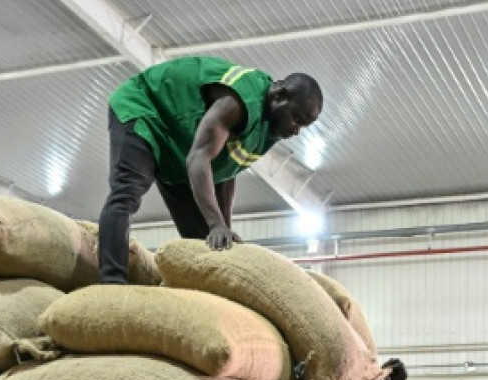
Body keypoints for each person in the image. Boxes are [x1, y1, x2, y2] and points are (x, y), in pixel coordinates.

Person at [97, 56, 324, 283]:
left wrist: (223, 229)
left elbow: (224, 171)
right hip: (145, 107)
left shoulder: (269, 129)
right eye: (297, 119)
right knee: (127, 192)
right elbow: (199, 158)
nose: (296, 131)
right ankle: (112, 281)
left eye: (303, 126)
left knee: (207, 243)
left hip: (180, 144)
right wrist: (216, 223)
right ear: (280, 96)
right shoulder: (239, 101)